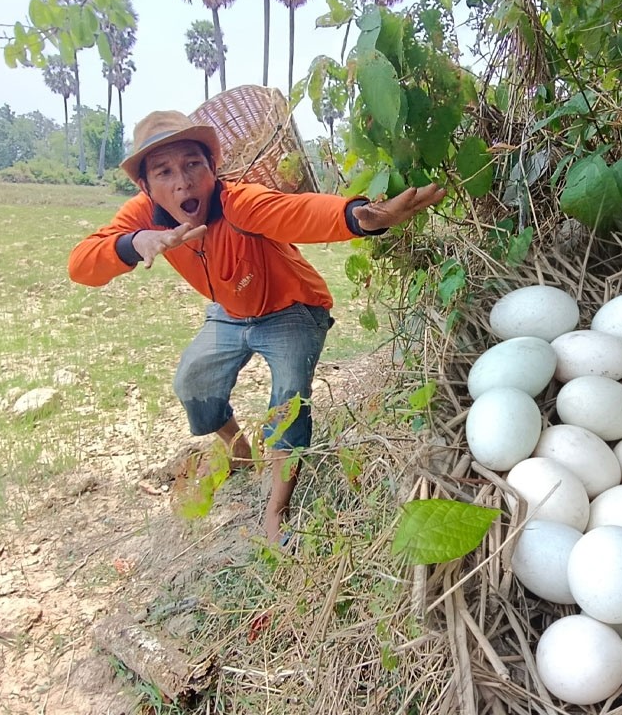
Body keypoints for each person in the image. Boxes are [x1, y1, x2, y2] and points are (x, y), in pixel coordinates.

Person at [68, 110, 445, 545]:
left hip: (292, 308)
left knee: (287, 400)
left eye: (193, 164)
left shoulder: (238, 202)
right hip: (229, 310)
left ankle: (276, 512)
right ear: (146, 186)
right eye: (164, 172)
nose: (183, 183)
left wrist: (360, 217)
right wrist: (134, 244)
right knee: (192, 381)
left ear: (212, 169)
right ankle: (237, 448)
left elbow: (298, 212)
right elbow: (81, 264)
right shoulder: (143, 216)